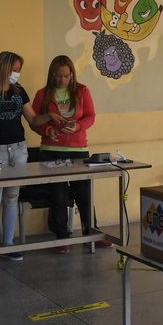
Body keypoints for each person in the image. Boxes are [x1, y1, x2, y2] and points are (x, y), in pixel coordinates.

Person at [0, 51, 50, 265]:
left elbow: (33, 119)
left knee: (12, 197)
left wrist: (51, 117)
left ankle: (8, 244)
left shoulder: (19, 91)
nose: (17, 74)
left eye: (19, 70)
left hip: (19, 150)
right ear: (3, 68)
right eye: (14, 70)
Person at [30, 55, 110, 252]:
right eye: (58, 76)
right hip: (51, 151)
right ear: (51, 75)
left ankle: (91, 233)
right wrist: (48, 130)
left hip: (78, 150)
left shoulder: (82, 91)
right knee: (58, 195)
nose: (62, 80)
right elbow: (34, 121)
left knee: (84, 194)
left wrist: (77, 126)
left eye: (66, 76)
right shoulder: (42, 94)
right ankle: (62, 237)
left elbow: (90, 116)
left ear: (72, 75)